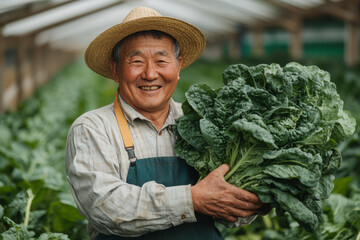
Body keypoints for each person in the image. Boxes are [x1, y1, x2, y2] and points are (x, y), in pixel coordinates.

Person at [66, 6, 270, 240]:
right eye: (137, 61)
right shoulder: (93, 128)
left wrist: (253, 198)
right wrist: (192, 200)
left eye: (161, 61)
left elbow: (231, 213)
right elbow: (106, 207)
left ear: (178, 65)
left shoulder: (202, 123)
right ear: (116, 69)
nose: (151, 74)